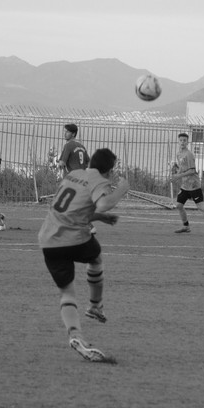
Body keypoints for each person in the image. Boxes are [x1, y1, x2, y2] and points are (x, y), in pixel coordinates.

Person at [39, 147, 130, 363]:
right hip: (73, 237)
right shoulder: (99, 180)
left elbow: (72, 207)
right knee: (95, 257)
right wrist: (122, 189)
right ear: (109, 170)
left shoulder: (74, 174)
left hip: (48, 239)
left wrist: (100, 218)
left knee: (67, 293)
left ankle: (75, 336)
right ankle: (95, 306)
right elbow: (104, 203)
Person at [169, 132, 204, 235]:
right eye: (181, 140)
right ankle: (186, 226)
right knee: (179, 205)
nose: (182, 142)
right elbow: (181, 168)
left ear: (187, 142)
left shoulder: (189, 154)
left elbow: (192, 171)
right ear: (178, 141)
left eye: (184, 140)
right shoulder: (178, 154)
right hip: (185, 186)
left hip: (194, 185)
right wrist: (176, 176)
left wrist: (178, 176)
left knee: (201, 207)